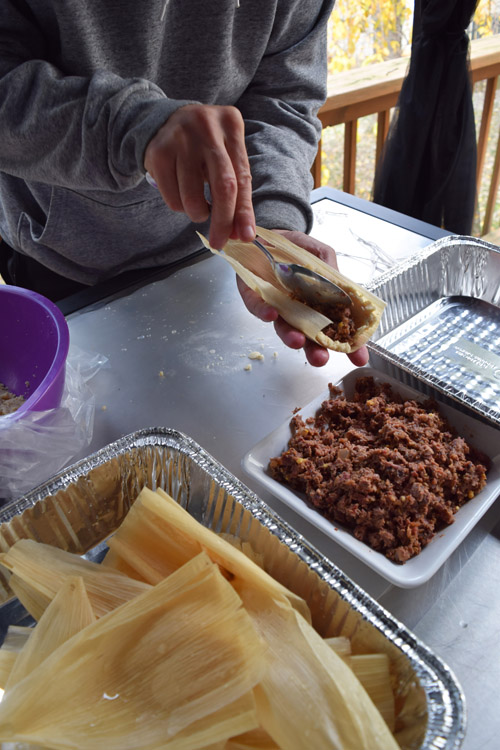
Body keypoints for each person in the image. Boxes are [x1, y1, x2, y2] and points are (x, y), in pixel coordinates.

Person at [0, 0, 367, 368]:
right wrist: (132, 125)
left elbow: (284, 99)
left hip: (213, 254)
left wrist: (272, 221)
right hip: (60, 256)